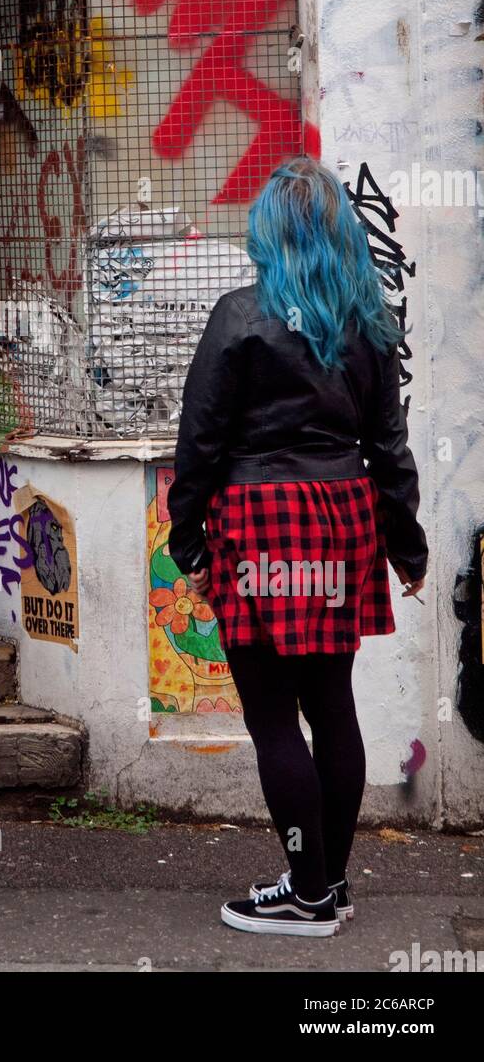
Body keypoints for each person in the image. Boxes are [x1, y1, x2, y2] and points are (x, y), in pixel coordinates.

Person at [167, 156, 427, 938]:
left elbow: (200, 439)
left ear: (265, 234)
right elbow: (389, 445)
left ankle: (307, 895)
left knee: (273, 716)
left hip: (258, 517)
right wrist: (405, 546)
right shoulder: (370, 323)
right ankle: (327, 883)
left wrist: (187, 538)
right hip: (340, 514)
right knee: (330, 704)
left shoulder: (238, 314)